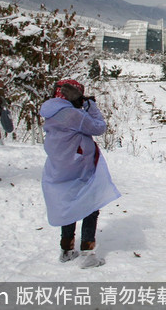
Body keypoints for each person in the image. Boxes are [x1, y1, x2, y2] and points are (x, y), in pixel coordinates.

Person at [40, 79, 120, 268]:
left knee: (69, 206)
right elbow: (99, 127)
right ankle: (87, 252)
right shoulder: (72, 114)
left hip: (60, 166)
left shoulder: (52, 111)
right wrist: (90, 106)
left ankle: (66, 249)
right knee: (90, 205)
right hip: (79, 168)